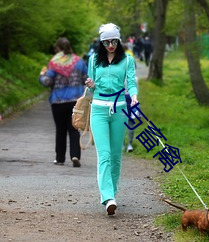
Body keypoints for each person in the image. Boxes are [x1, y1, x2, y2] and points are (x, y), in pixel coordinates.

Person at [85, 23, 138, 215]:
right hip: (98, 109)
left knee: (116, 155)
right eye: (106, 42)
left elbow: (131, 82)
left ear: (119, 40)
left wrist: (134, 95)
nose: (110, 45)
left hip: (119, 109)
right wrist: (90, 84)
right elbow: (91, 88)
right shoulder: (94, 60)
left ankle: (112, 193)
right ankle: (107, 197)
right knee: (104, 154)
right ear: (101, 42)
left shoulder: (127, 60)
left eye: (114, 41)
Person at [39, 37, 88, 167]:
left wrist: (42, 75)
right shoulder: (79, 62)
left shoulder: (54, 63)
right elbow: (86, 79)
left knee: (60, 130)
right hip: (75, 101)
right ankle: (75, 155)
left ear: (58, 49)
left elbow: (47, 82)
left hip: (58, 101)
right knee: (73, 129)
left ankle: (60, 158)